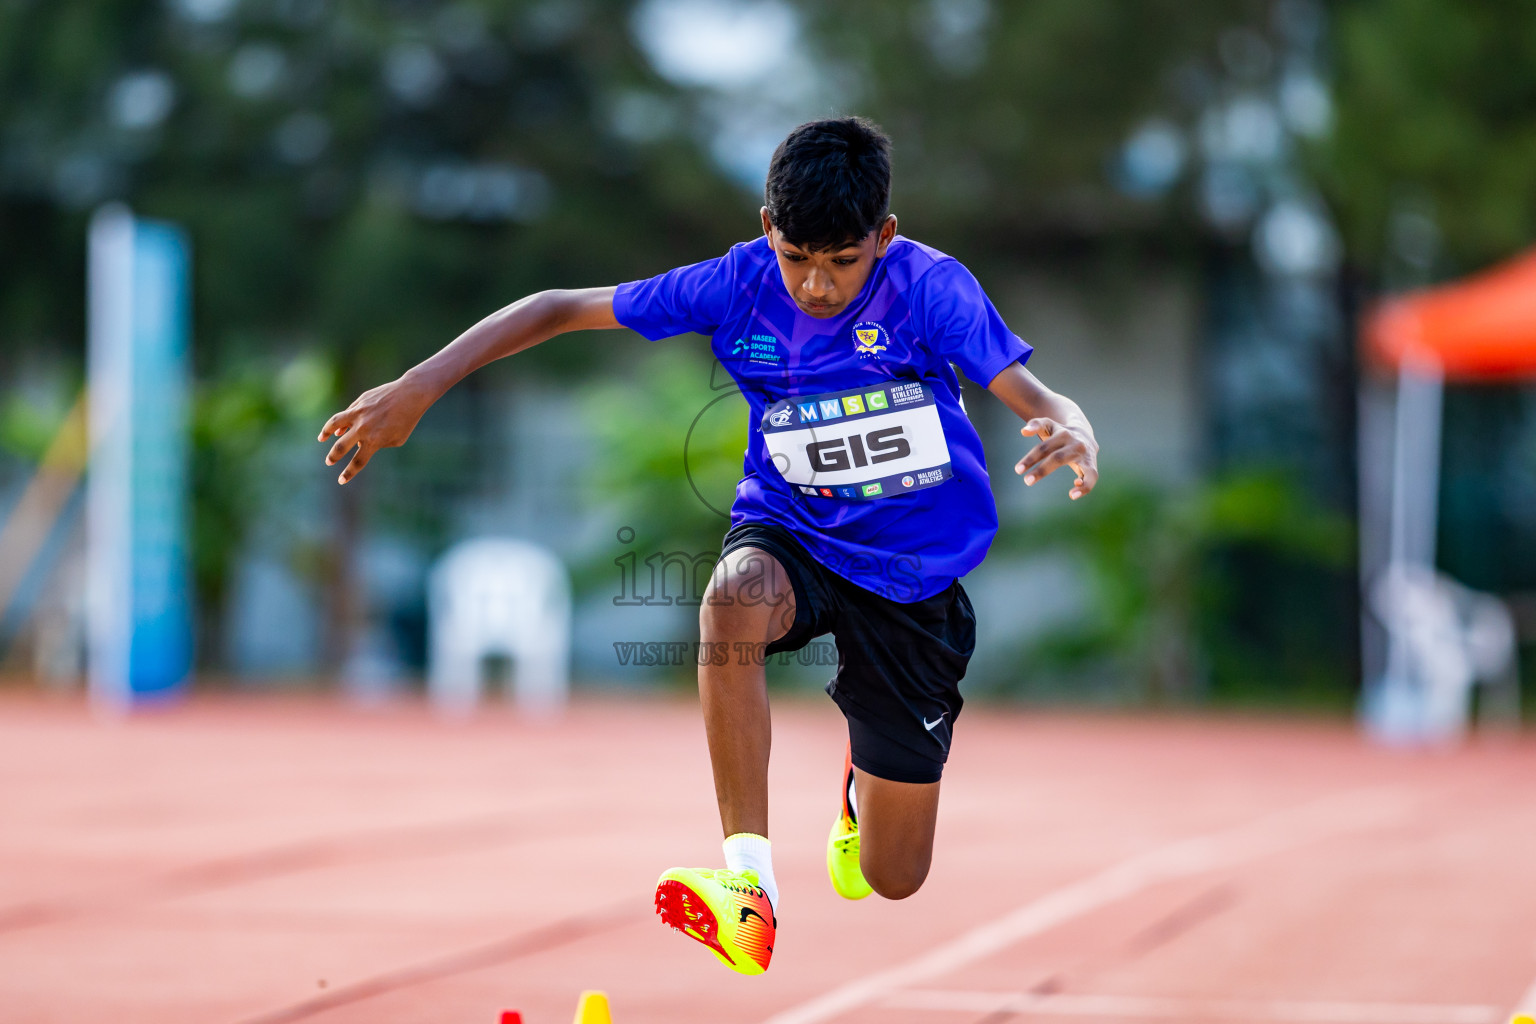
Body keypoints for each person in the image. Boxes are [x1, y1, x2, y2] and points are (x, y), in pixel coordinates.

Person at [318, 116, 1099, 977]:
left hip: (914, 577)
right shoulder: (737, 283)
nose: (817, 285)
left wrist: (1072, 429)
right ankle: (747, 891)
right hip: (791, 531)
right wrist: (420, 386)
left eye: (843, 261)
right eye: (799, 256)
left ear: (885, 237)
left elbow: (1034, 393)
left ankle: (855, 782)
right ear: (769, 227)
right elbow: (555, 309)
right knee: (731, 598)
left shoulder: (931, 290)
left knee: (894, 875)